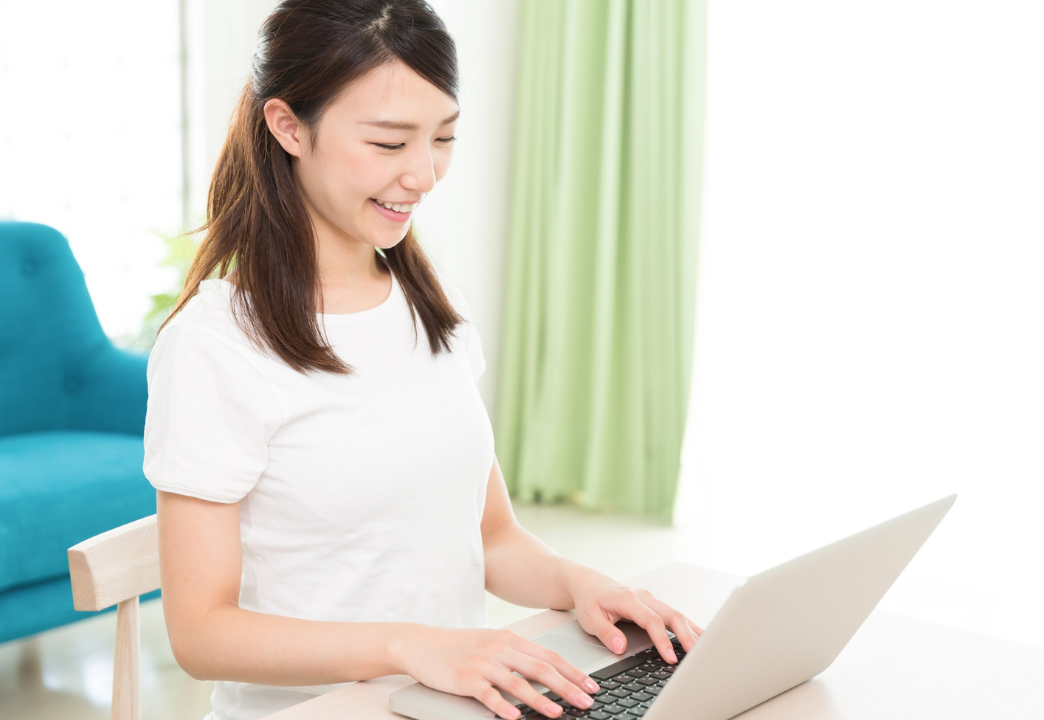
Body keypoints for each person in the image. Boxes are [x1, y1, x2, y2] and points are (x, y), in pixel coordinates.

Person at [144, 2, 703, 720]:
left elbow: (491, 536)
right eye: (388, 143)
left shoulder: (427, 299)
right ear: (288, 127)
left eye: (443, 138)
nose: (425, 174)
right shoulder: (216, 344)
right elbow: (201, 633)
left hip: (455, 702)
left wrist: (580, 583)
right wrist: (413, 647)